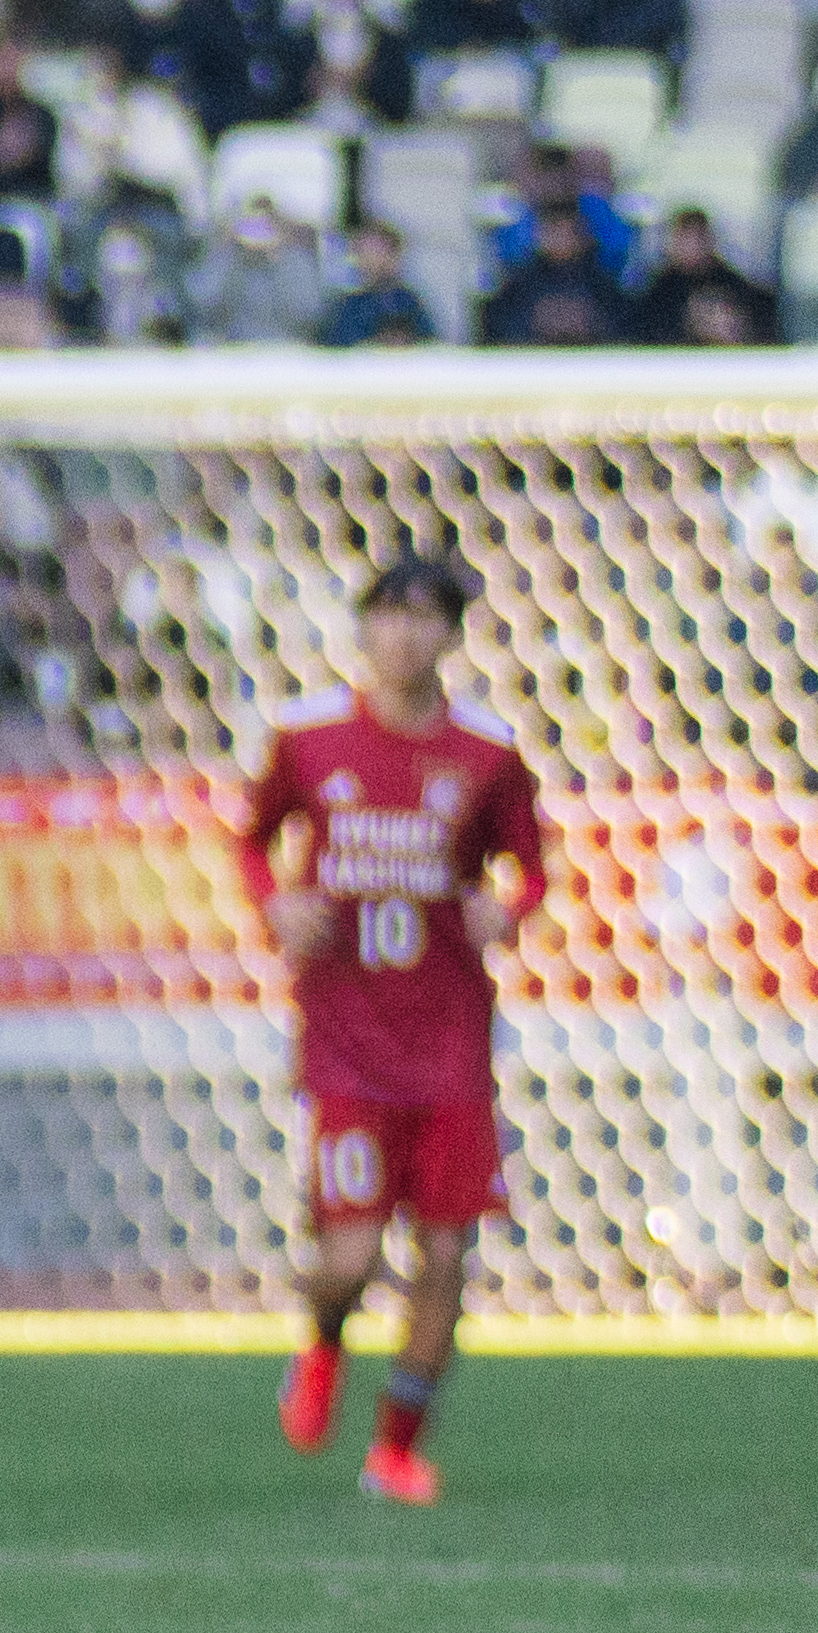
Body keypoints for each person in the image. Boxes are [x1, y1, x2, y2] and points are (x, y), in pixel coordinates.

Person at [235, 551, 545, 1509]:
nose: (404, 635)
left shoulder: (487, 752)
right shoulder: (308, 737)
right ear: (363, 627)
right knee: (351, 1256)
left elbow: (529, 865)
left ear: (450, 635)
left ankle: (395, 1449)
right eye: (388, 615)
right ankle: (323, 1342)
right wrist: (275, 902)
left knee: (446, 1255)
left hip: (448, 1043)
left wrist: (507, 907)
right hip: (346, 1039)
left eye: (424, 618)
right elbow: (251, 838)